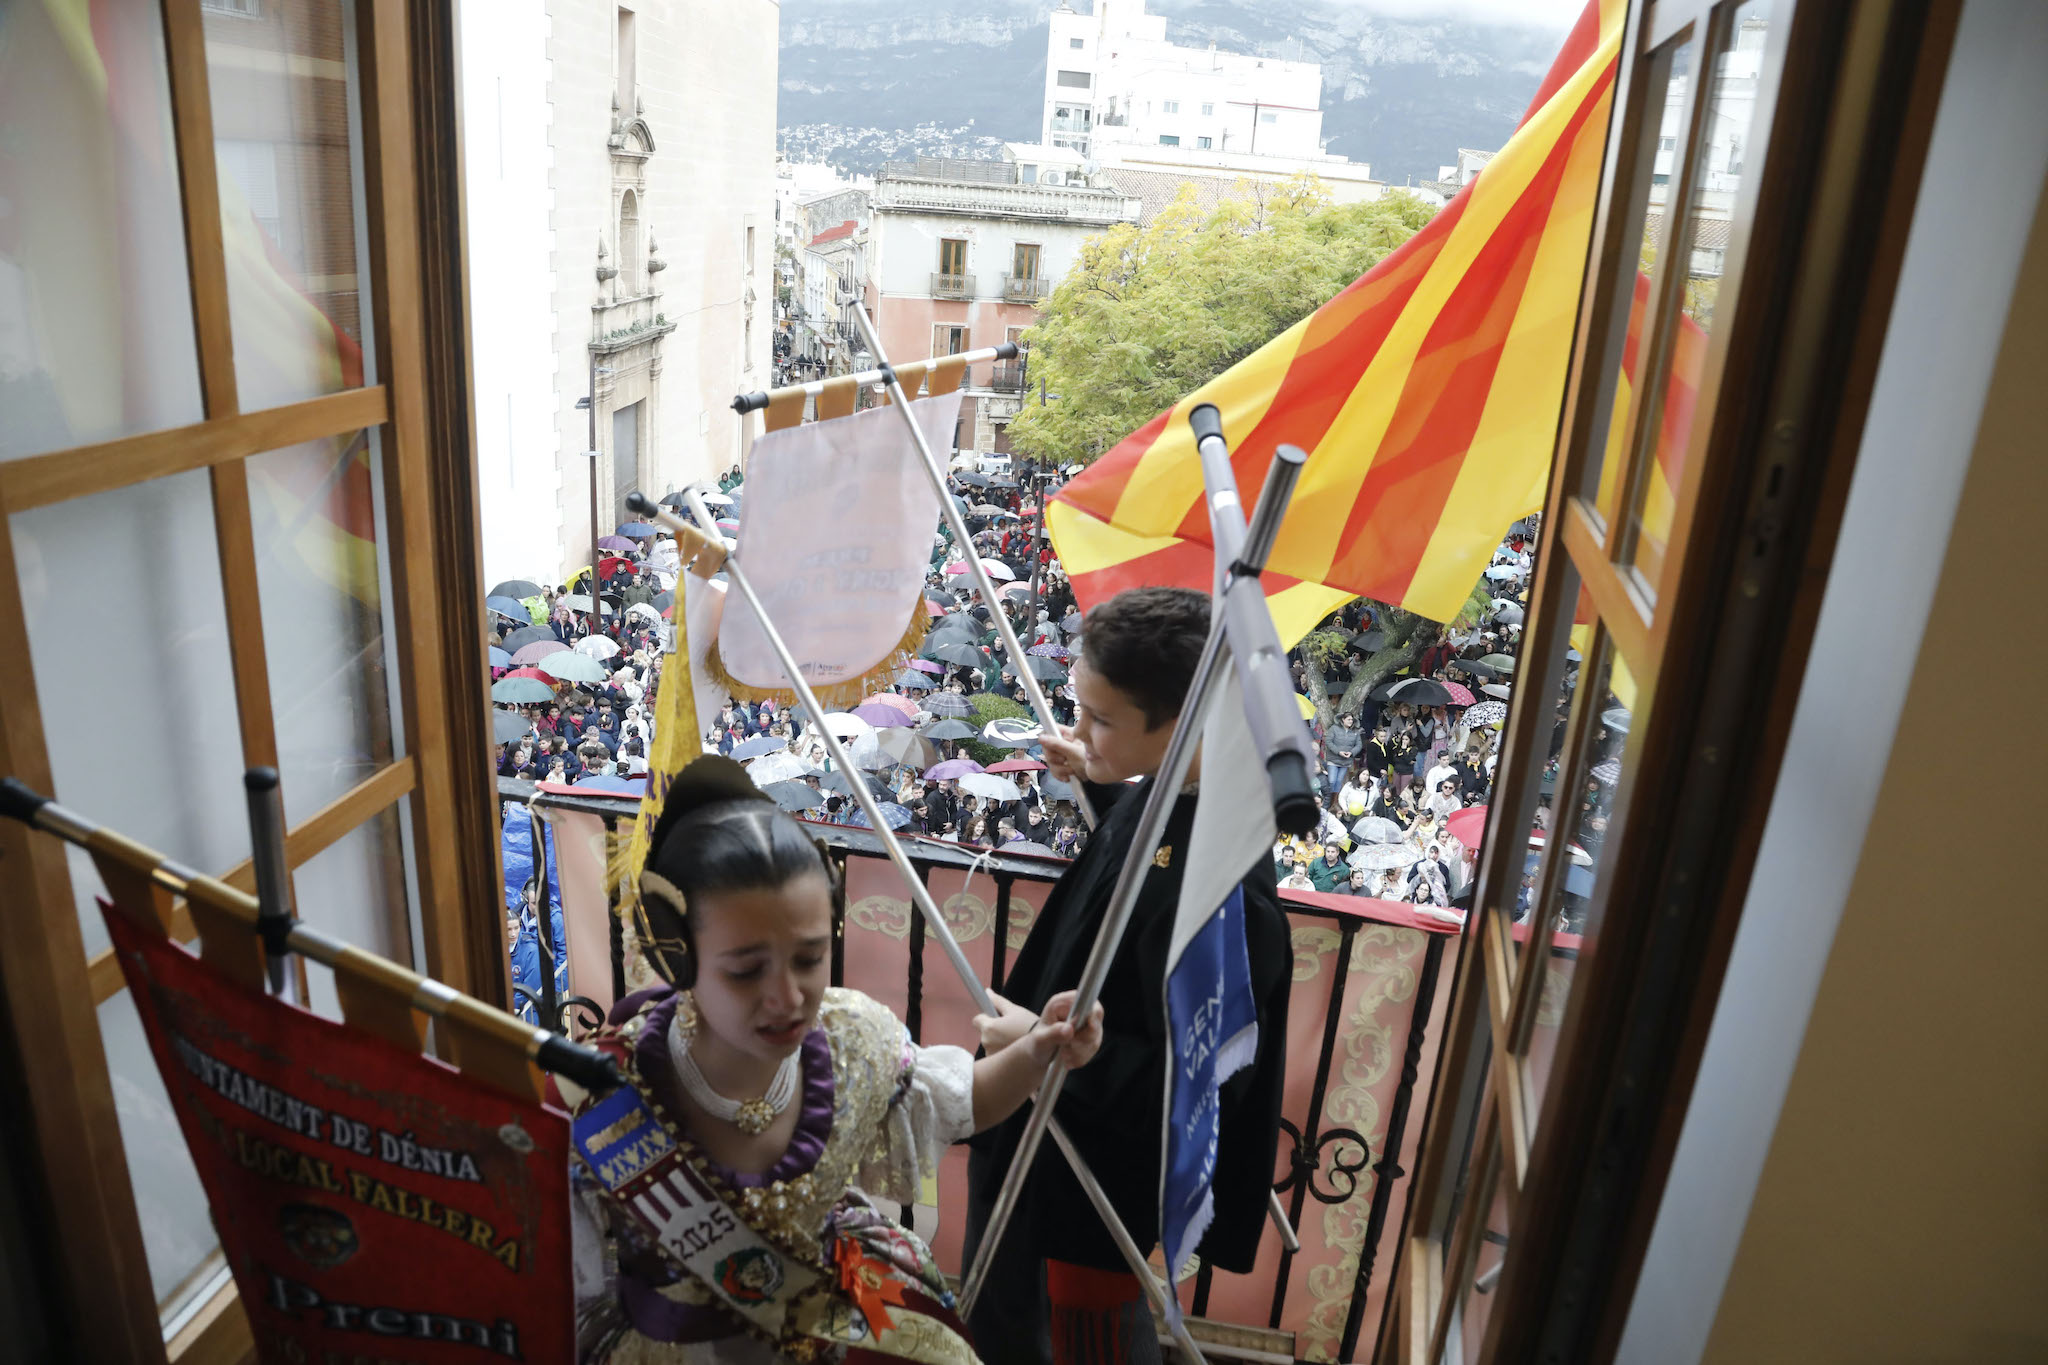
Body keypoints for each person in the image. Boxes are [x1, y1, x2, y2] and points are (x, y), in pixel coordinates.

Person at [567, 757, 1104, 1362]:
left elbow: (963, 1102)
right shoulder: (611, 1085)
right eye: (746, 970)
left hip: (829, 1320)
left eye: (809, 958)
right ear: (676, 955)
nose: (788, 998)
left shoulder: (852, 1038)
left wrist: (1036, 1053)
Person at [963, 587, 1292, 1365]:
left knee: (1078, 1341)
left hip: (1087, 1174)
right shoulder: (1178, 789)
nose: (1079, 730)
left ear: (1181, 727)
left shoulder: (1223, 892)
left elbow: (1192, 1084)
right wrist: (1102, 766)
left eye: (1100, 718)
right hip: (1040, 1136)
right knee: (1004, 1316)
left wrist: (1038, 1051)